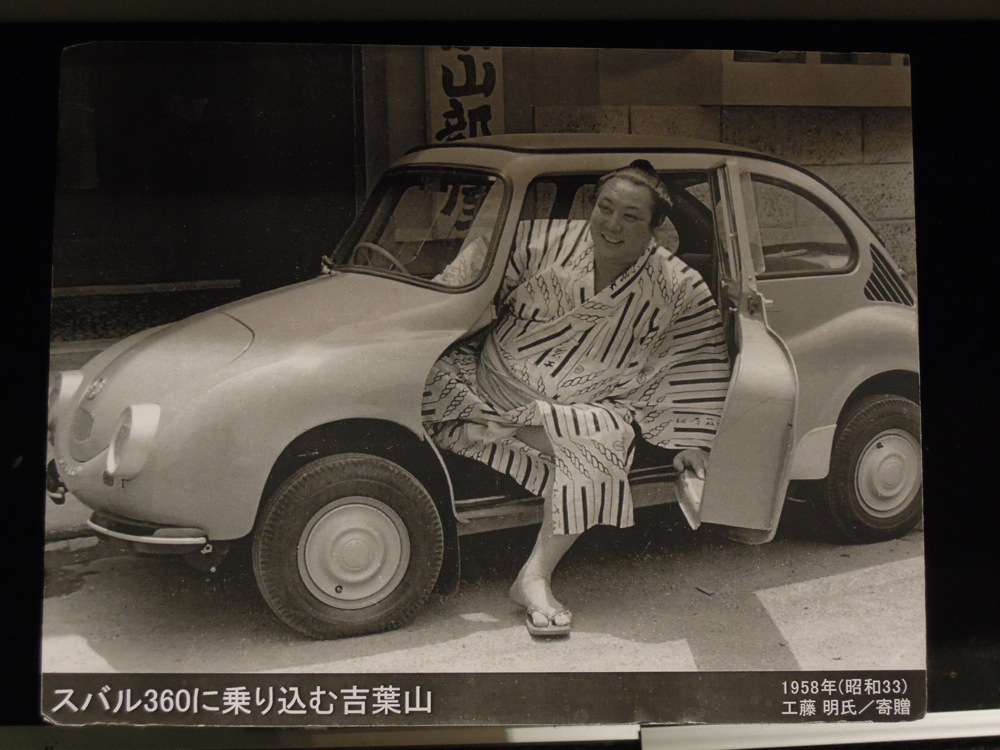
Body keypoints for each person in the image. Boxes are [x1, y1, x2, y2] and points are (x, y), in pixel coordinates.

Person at [422, 160, 731, 636]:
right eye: (604, 208)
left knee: (604, 443)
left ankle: (534, 576)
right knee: (428, 379)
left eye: (630, 217)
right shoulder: (547, 240)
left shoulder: (679, 285)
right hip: (488, 381)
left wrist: (692, 442)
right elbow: (476, 268)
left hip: (586, 406)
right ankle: (508, 426)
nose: (611, 225)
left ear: (654, 229)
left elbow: (694, 358)